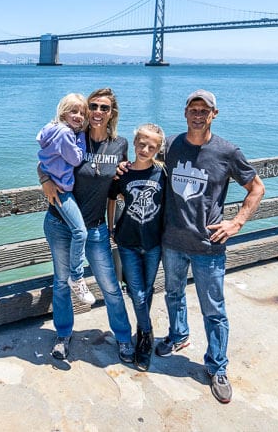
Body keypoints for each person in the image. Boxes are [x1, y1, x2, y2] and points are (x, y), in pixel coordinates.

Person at [156, 89, 265, 405]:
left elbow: (257, 188)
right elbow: (145, 157)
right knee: (173, 294)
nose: (198, 114)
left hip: (209, 245)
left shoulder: (228, 152)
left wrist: (236, 223)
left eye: (205, 110)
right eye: (193, 108)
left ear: (214, 114)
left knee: (214, 310)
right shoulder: (172, 145)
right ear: (185, 112)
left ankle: (217, 367)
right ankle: (178, 336)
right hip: (172, 241)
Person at [39, 87, 135, 364]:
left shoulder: (119, 145)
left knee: (110, 286)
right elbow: (44, 161)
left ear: (111, 113)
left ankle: (124, 337)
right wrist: (44, 180)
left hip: (94, 228)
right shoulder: (73, 135)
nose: (97, 112)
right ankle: (63, 334)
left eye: (104, 108)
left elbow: (119, 185)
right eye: (93, 106)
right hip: (59, 224)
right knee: (60, 282)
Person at [107, 123, 166, 372]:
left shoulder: (163, 174)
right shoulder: (122, 174)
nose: (145, 149)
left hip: (154, 243)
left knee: (148, 289)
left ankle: (142, 329)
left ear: (158, 149)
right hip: (128, 242)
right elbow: (111, 198)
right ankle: (146, 335)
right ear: (134, 144)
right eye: (141, 144)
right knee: (137, 293)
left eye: (151, 146)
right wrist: (111, 228)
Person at [37, 93, 95, 305]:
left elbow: (43, 160)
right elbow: (76, 158)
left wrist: (45, 176)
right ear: (63, 112)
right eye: (74, 111)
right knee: (80, 232)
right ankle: (77, 277)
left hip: (59, 189)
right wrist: (80, 137)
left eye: (82, 113)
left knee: (78, 233)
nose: (79, 116)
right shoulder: (66, 135)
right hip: (62, 192)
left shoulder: (51, 130)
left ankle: (75, 278)